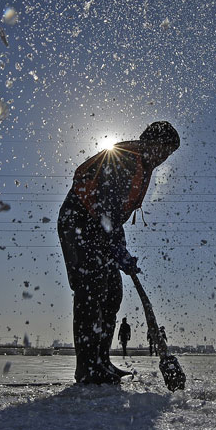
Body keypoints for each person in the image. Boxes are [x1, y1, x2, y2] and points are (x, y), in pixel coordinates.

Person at [58, 121, 180, 385]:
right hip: (78, 223)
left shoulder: (141, 167)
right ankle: (87, 367)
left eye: (169, 154)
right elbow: (105, 203)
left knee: (112, 293)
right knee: (91, 290)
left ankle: (101, 361)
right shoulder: (126, 160)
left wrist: (121, 248)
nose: (163, 158)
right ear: (150, 142)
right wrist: (116, 244)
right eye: (163, 150)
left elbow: (116, 217)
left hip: (101, 229)